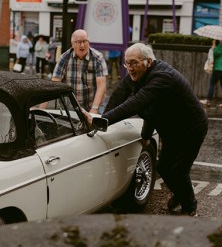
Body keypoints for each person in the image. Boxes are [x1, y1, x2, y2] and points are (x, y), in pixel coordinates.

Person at [82, 42, 208, 217]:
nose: (130, 68)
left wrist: (102, 120)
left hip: (190, 128)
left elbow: (136, 104)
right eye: (127, 63)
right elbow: (119, 97)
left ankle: (189, 206)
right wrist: (101, 122)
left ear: (148, 62)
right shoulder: (136, 76)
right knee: (163, 167)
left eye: (134, 63)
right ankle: (181, 195)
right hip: (170, 127)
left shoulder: (163, 77)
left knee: (179, 171)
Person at [51, 29, 108, 114]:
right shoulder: (64, 58)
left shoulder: (97, 58)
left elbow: (101, 85)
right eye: (78, 42)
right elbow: (55, 82)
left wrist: (95, 108)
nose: (82, 45)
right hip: (68, 107)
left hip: (91, 105)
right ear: (73, 44)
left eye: (85, 41)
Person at [199, 39, 222, 108]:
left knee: (212, 84)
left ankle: (208, 100)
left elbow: (215, 53)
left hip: (219, 68)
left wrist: (214, 46)